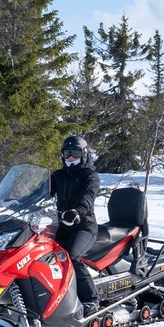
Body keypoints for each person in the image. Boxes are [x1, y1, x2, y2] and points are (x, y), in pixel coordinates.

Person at [49, 133, 101, 314]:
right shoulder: (58, 175)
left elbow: (87, 197)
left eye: (75, 153)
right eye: (67, 153)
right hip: (62, 226)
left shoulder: (90, 176)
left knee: (71, 256)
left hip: (84, 226)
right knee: (43, 255)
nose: (70, 157)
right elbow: (41, 192)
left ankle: (91, 299)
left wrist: (76, 211)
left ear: (84, 154)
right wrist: (19, 201)